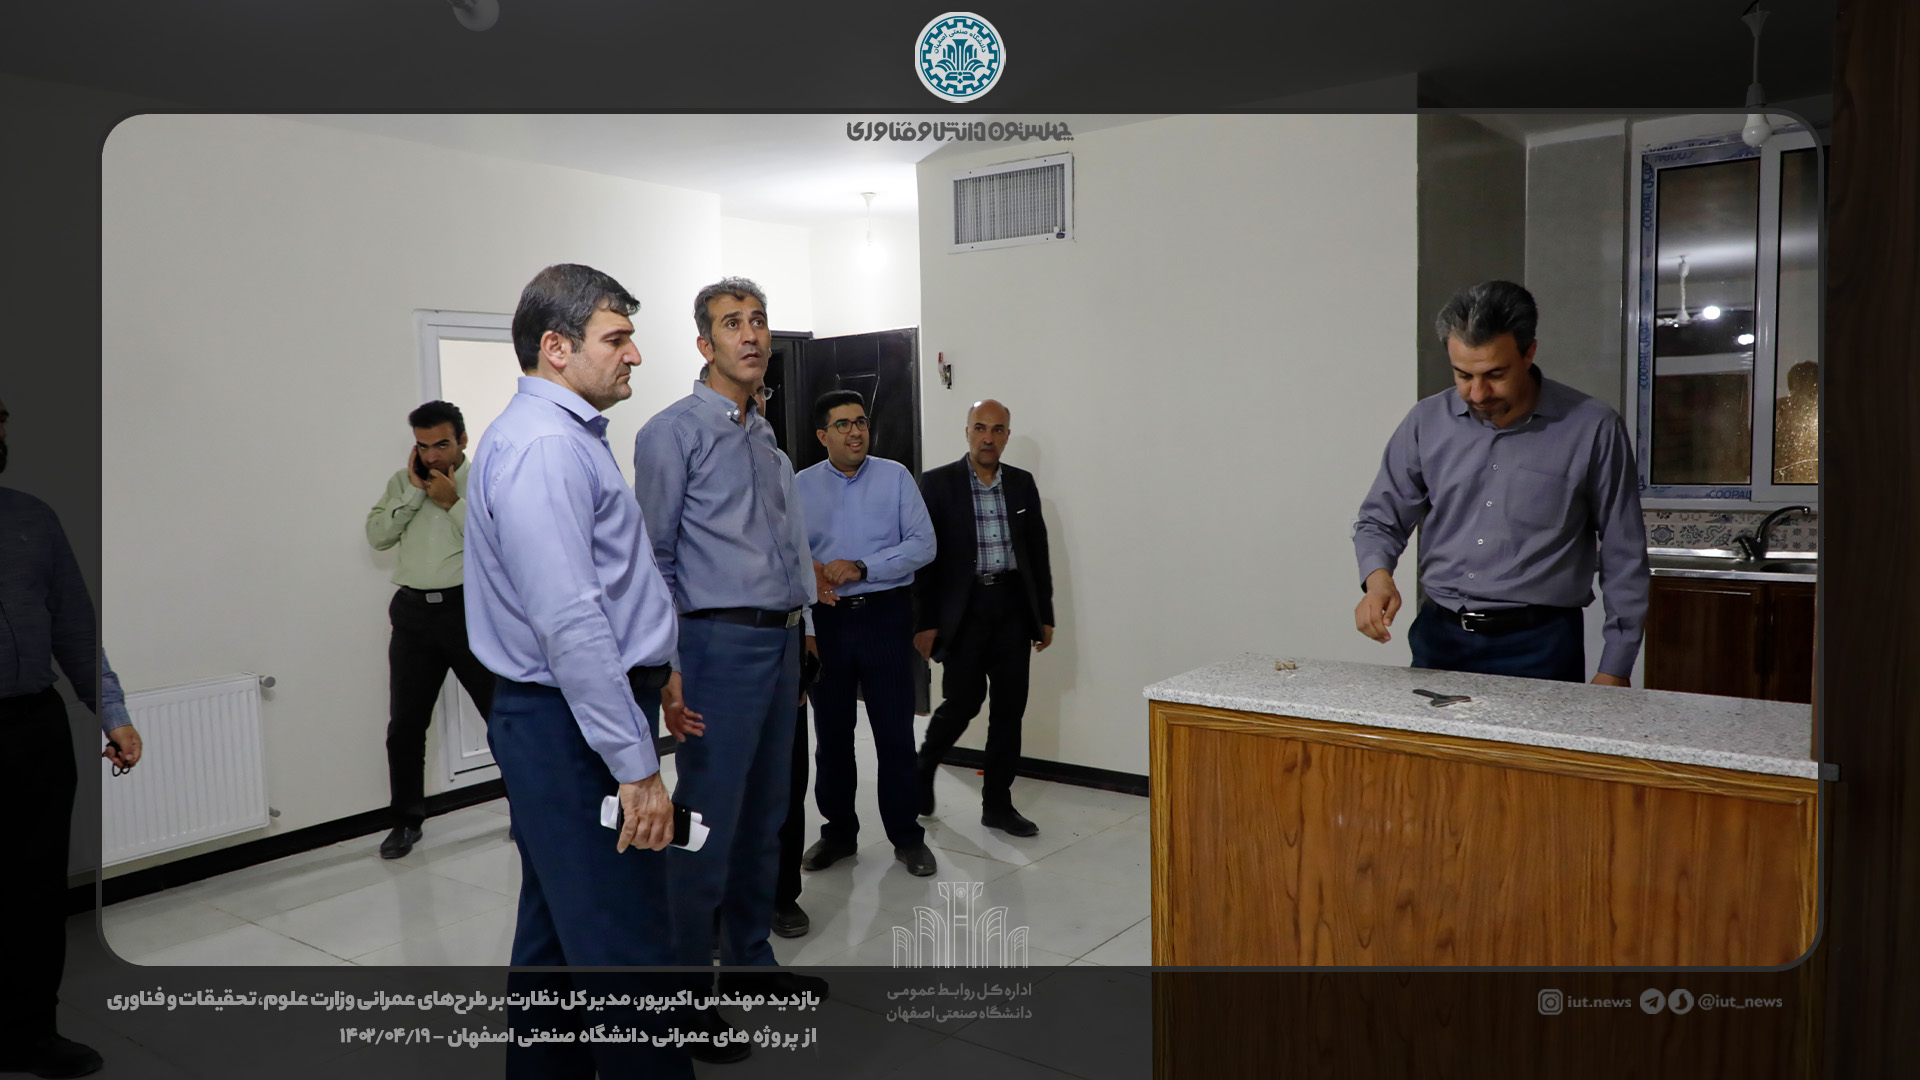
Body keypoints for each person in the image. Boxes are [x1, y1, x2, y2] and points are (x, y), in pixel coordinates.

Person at [462, 265, 692, 1079]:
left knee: (558, 938)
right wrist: (636, 768)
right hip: (571, 727)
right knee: (627, 949)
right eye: (616, 338)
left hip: (570, 716)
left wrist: (658, 662)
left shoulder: (559, 436)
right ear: (556, 349)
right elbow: (570, 624)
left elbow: (607, 590)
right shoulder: (546, 449)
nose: (635, 355)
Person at [632, 277, 821, 982]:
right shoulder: (672, 432)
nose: (751, 335)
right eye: (733, 323)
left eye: (759, 321)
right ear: (705, 344)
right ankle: (683, 985)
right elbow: (654, 558)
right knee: (707, 819)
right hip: (715, 647)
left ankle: (751, 960)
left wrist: (803, 632)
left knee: (767, 816)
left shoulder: (764, 435)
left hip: (779, 643)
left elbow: (787, 547)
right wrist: (669, 666)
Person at [1351, 280, 1651, 685]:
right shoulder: (1426, 421)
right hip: (1440, 637)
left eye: (1495, 374)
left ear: (1529, 353)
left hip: (1541, 645)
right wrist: (1377, 579)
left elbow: (1623, 554)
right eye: (1463, 375)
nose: (1477, 393)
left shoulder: (1593, 427)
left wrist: (1615, 667)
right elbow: (1379, 519)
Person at [0, 393, 137, 1079]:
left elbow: (75, 626)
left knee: (35, 890)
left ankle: (30, 1033)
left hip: (32, 728)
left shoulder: (33, 518)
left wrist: (112, 712)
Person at [794, 390, 939, 877]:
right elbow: (792, 557)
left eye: (860, 422)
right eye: (843, 425)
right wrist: (810, 609)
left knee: (895, 735)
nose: (855, 432)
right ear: (823, 435)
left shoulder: (894, 477)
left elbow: (923, 544)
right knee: (832, 738)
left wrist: (863, 566)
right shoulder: (800, 486)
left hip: (885, 619)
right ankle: (838, 833)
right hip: (828, 624)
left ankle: (907, 836)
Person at [913, 399, 1055, 837]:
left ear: (1007, 436)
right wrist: (923, 622)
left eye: (997, 430)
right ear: (967, 432)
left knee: (1010, 710)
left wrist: (1044, 615)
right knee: (964, 701)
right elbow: (922, 560)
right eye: (980, 428)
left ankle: (997, 804)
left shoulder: (1022, 484)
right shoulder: (937, 484)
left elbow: (1037, 553)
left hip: (1012, 608)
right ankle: (923, 766)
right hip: (965, 611)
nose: (988, 438)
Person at [364, 400, 497, 859]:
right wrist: (416, 493)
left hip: (467, 612)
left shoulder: (484, 480)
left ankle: (526, 811)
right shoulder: (402, 483)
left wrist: (451, 503)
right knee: (405, 725)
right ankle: (405, 821)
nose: (432, 455)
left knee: (501, 717)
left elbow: (496, 544)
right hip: (413, 616)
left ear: (462, 440)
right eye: (423, 446)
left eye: (441, 444)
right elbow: (377, 536)